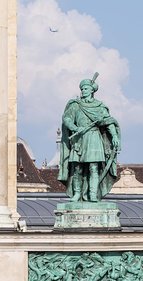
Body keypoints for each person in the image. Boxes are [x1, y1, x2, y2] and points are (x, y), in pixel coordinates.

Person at [58, 73, 120, 203]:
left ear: (92, 90)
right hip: (79, 139)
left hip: (93, 138)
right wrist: (75, 128)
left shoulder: (99, 106)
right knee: (77, 168)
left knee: (93, 168)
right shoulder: (76, 105)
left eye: (85, 89)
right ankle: (77, 193)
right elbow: (67, 119)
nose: (82, 91)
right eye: (82, 89)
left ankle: (92, 194)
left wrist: (114, 136)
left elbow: (108, 122)